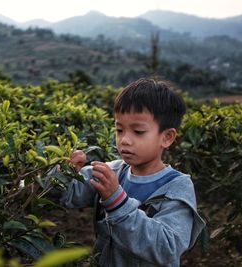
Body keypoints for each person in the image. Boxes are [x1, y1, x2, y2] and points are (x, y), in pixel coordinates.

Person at [61, 78, 206, 266]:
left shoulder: (176, 187)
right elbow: (66, 194)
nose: (125, 140)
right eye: (119, 130)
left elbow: (168, 248)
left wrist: (116, 202)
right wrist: (65, 171)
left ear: (167, 137)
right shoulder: (112, 172)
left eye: (138, 132)